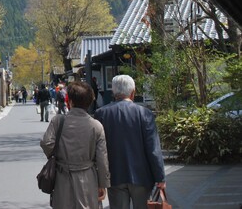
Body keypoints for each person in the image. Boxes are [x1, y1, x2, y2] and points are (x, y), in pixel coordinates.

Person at [93, 75, 165, 209]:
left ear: (113, 92)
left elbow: (98, 149)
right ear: (133, 92)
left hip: (114, 175)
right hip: (142, 176)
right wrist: (160, 177)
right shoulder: (144, 113)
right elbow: (153, 148)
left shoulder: (101, 113)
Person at [40, 81, 110, 209]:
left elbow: (46, 143)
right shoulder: (96, 126)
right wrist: (103, 184)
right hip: (87, 177)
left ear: (70, 101)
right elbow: (102, 159)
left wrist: (57, 155)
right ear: (89, 102)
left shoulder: (58, 121)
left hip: (62, 175)